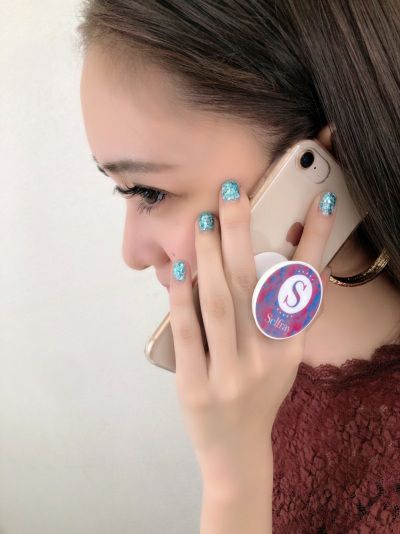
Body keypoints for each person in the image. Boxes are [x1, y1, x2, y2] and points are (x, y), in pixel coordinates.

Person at [76, 1, 400, 532]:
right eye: (122, 190)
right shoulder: (247, 375)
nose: (131, 253)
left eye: (151, 192)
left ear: (328, 166)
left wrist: (232, 480)